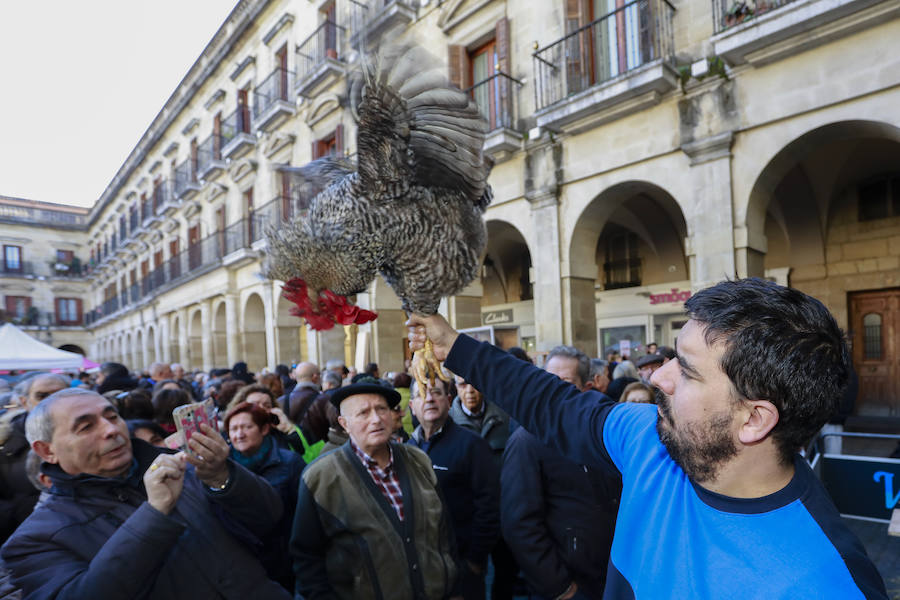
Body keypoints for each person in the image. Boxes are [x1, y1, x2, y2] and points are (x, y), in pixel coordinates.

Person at [407, 278, 888, 599]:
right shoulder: (651, 440)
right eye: (672, 358)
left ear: (754, 418)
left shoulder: (824, 581)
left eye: (689, 371)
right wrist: (456, 347)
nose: (660, 379)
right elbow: (555, 405)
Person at [1, 388, 290, 599]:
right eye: (86, 426)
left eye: (112, 416)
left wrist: (221, 477)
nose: (112, 430)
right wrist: (154, 514)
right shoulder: (32, 540)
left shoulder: (183, 468)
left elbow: (269, 517)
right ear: (47, 450)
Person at [290, 380, 458, 600]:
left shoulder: (418, 461)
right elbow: (307, 558)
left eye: (381, 409)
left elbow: (444, 532)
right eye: (363, 413)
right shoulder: (320, 478)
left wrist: (454, 587)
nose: (376, 419)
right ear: (344, 423)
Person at [501, 346, 620, 600]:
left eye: (564, 383)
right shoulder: (526, 442)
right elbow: (520, 525)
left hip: (609, 580)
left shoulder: (601, 436)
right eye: (547, 381)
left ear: (587, 387)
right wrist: (560, 587)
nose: (552, 390)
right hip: (566, 588)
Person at [408, 377, 500, 600]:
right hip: (419, 570)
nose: (429, 399)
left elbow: (490, 506)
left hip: (462, 568)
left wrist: (475, 562)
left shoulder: (472, 445)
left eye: (437, 393)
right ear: (412, 405)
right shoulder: (405, 449)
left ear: (449, 401)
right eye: (421, 393)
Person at [224, 402, 305, 590]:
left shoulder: (289, 462)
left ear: (265, 429)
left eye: (247, 427)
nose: (239, 434)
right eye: (233, 429)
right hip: (244, 564)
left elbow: (304, 513)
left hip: (286, 560)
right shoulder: (223, 467)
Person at [0, 374, 68, 543]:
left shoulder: (99, 435)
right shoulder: (5, 444)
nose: (52, 401)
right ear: (24, 402)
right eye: (42, 396)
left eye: (62, 394)